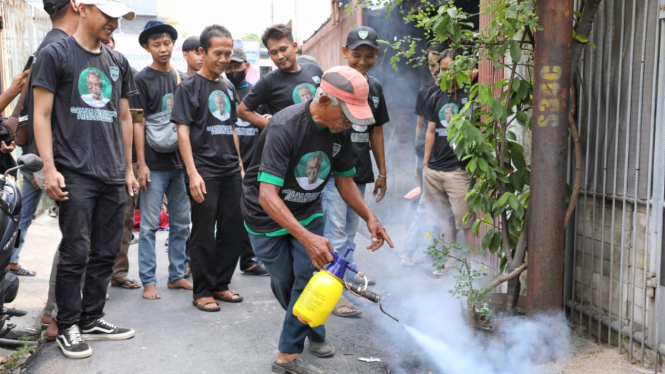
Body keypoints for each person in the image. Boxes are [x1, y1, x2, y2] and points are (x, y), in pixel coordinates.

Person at [242, 66, 393, 374]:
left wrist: (369, 218)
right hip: (266, 217)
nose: (351, 121)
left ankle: (286, 356)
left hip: (308, 211)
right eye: (347, 114)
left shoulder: (341, 129)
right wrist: (307, 239)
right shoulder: (285, 127)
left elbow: (345, 181)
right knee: (285, 283)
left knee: (309, 277)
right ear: (325, 101)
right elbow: (268, 196)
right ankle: (313, 329)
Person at [32, 0, 138, 359]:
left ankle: (92, 318)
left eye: (118, 16)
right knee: (75, 250)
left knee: (106, 252)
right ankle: (68, 325)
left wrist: (128, 169)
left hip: (112, 173)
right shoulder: (56, 53)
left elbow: (124, 118)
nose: (113, 22)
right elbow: (42, 115)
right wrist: (49, 167)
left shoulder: (117, 62)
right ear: (82, 7)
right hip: (74, 172)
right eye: (108, 14)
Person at [171, 24, 245, 312]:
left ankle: (220, 284)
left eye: (227, 53)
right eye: (218, 53)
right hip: (204, 170)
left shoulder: (227, 86)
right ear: (202, 52)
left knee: (233, 227)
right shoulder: (188, 87)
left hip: (229, 170)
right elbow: (182, 132)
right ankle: (202, 291)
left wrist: (239, 163)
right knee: (203, 230)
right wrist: (192, 173)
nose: (224, 59)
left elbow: (232, 128)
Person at [321, 26, 390, 318]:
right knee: (335, 233)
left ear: (376, 54)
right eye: (356, 55)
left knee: (349, 235)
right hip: (335, 173)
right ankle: (333, 296)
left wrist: (382, 172)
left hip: (359, 172)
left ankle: (343, 285)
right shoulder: (332, 85)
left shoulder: (374, 89)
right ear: (344, 52)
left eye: (368, 56)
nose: (362, 61)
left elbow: (376, 132)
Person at [134, 20, 192, 300]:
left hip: (179, 164)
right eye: (156, 44)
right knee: (148, 226)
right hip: (154, 165)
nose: (163, 48)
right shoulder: (140, 80)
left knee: (181, 222)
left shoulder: (180, 77)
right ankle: (148, 280)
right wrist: (140, 164)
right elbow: (137, 122)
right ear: (147, 47)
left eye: (167, 42)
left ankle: (176, 275)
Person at [423, 47, 477, 276]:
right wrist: (425, 164)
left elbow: (482, 68)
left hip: (458, 170)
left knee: (465, 221)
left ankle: (474, 266)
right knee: (444, 220)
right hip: (434, 170)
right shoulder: (436, 95)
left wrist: (474, 71)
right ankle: (450, 261)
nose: (443, 74)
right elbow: (431, 131)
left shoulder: (470, 93)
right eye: (441, 69)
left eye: (449, 69)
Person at [399, 42, 446, 267]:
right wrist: (415, 160)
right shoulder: (425, 90)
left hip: (445, 156)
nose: (434, 69)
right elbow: (420, 126)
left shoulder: (458, 88)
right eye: (430, 64)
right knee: (426, 204)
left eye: (439, 63)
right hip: (424, 155)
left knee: (440, 207)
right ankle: (410, 250)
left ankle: (432, 253)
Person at [224, 47, 268, 276]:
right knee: (233, 214)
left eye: (237, 66)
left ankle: (250, 259)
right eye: (229, 67)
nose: (232, 71)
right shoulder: (222, 92)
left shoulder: (257, 93)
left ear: (247, 67)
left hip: (255, 161)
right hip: (230, 162)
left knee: (255, 211)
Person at [237, 24, 323, 129]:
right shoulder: (268, 81)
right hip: (291, 145)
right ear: (269, 54)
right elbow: (242, 111)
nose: (280, 56)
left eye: (283, 49)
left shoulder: (314, 69)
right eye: (274, 52)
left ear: (294, 46)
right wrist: (274, 127)